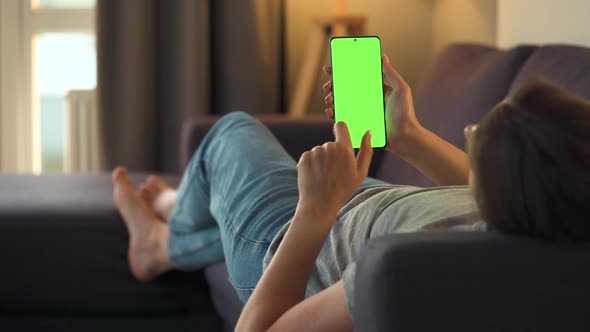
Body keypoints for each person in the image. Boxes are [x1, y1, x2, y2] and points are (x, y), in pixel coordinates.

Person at [112, 54, 590, 331]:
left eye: (477, 139)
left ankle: (160, 243)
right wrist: (408, 135)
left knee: (230, 132)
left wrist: (315, 210)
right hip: (360, 201)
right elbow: (484, 194)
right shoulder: (556, 212)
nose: (467, 128)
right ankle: (181, 218)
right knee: (230, 196)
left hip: (297, 235)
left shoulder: (408, 267)